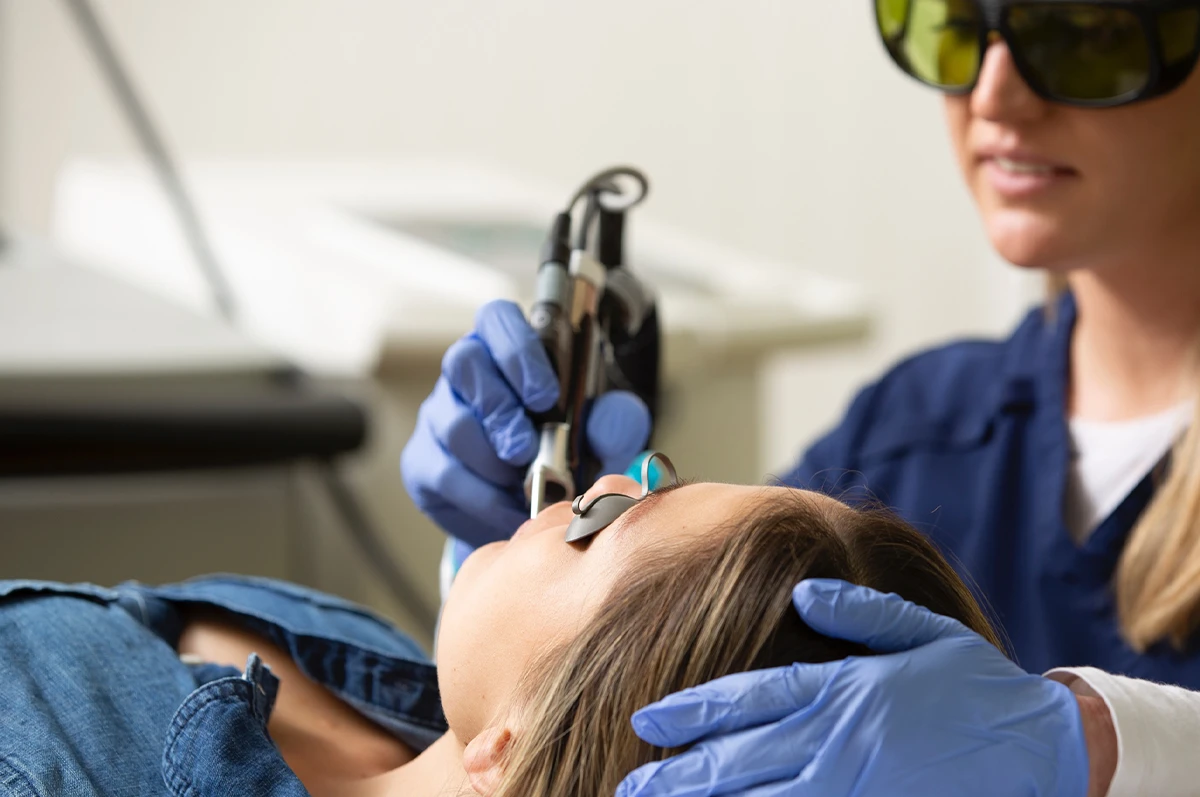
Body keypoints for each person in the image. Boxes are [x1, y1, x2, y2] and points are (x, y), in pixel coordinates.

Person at [400, 2, 1200, 795]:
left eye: (1088, 36)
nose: (993, 95)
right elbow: (645, 718)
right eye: (953, 27)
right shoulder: (918, 423)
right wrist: (543, 575)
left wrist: (1091, 742)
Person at [0, 469, 1019, 796]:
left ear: (515, 745)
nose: (608, 477)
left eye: (604, 524)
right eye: (660, 470)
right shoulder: (390, 687)